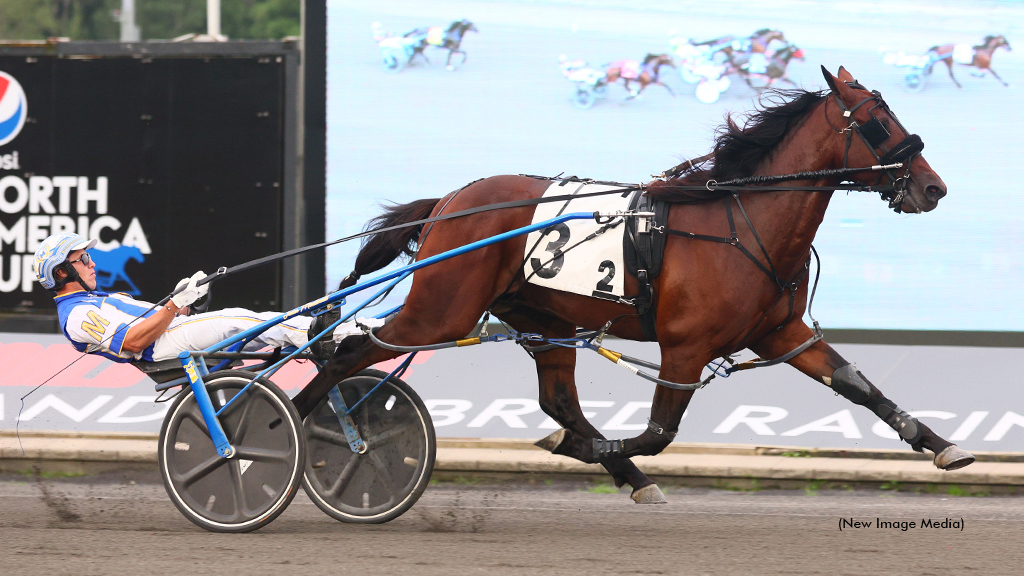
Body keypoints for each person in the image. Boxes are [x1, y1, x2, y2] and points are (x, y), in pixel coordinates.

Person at [31, 232, 359, 364]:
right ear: (62, 273)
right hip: (159, 349)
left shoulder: (96, 299)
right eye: (83, 260)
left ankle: (356, 329)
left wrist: (186, 302)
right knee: (240, 319)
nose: (92, 264)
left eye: (89, 257)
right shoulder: (77, 315)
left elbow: (154, 320)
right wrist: (174, 306)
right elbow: (132, 341)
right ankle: (332, 335)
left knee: (263, 322)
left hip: (171, 335)